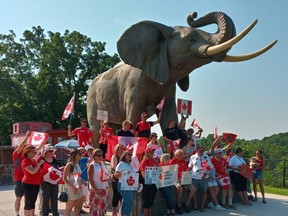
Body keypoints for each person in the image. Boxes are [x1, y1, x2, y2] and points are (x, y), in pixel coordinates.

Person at [169, 149, 195, 214]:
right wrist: (178, 178)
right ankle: (178, 204)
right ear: (176, 155)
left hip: (184, 177)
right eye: (180, 155)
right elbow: (170, 172)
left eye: (182, 154)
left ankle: (186, 204)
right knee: (180, 188)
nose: (182, 156)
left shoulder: (183, 161)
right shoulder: (172, 161)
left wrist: (188, 172)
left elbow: (185, 169)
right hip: (176, 178)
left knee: (193, 189)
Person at [188, 146, 213, 212]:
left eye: (203, 150)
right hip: (195, 177)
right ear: (197, 150)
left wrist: (205, 174)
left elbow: (210, 167)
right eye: (200, 150)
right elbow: (190, 167)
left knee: (204, 191)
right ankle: (195, 206)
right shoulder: (192, 157)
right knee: (194, 192)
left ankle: (202, 206)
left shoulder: (206, 157)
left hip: (204, 177)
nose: (201, 151)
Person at [21, 145, 45, 216]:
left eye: (35, 151)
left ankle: (32, 214)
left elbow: (37, 171)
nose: (35, 153)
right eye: (33, 152)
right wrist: (39, 164)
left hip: (36, 183)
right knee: (28, 202)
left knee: (33, 201)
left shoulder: (33, 160)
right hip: (28, 184)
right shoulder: (25, 161)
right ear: (27, 152)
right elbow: (32, 171)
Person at [38, 144, 61, 216]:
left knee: (54, 199)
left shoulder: (54, 160)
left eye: (52, 151)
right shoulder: (41, 160)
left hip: (54, 182)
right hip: (45, 183)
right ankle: (44, 214)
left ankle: (55, 213)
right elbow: (38, 170)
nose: (51, 152)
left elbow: (57, 168)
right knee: (45, 200)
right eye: (49, 151)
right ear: (45, 152)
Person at [63, 149, 87, 216]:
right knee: (69, 209)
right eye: (79, 154)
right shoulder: (69, 165)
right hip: (71, 189)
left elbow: (78, 176)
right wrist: (73, 187)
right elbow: (64, 178)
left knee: (78, 208)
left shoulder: (77, 164)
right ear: (75, 155)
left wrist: (83, 181)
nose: (81, 155)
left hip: (79, 188)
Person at [12, 131, 30, 216]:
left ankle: (27, 213)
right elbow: (21, 146)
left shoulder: (25, 156)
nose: (24, 148)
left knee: (27, 198)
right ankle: (17, 214)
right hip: (18, 180)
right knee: (18, 197)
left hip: (26, 179)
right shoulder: (15, 154)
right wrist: (26, 137)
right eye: (23, 146)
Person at [88, 149, 110, 216]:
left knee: (102, 208)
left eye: (101, 155)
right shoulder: (92, 165)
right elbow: (90, 178)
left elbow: (106, 174)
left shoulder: (103, 164)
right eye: (98, 155)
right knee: (94, 208)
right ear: (94, 156)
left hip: (104, 188)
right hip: (96, 189)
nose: (101, 157)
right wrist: (95, 189)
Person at [115, 150, 135, 216]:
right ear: (124, 156)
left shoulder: (129, 165)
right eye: (128, 155)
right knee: (129, 202)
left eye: (131, 155)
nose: (130, 156)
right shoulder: (121, 164)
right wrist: (123, 174)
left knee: (125, 201)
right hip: (123, 184)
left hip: (129, 185)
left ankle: (122, 214)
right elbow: (116, 174)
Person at [140, 147, 159, 216]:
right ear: (147, 153)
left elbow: (159, 169)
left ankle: (150, 214)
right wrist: (148, 180)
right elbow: (143, 173)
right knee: (146, 201)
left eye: (153, 152)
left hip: (154, 183)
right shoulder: (144, 161)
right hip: (147, 184)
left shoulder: (154, 161)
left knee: (151, 200)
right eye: (151, 152)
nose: (152, 154)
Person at [111, 144, 125, 216]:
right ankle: (114, 211)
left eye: (123, 149)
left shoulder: (124, 157)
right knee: (116, 194)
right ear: (117, 149)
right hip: (115, 178)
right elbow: (114, 166)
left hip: (123, 178)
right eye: (120, 149)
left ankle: (121, 211)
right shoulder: (114, 156)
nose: (122, 150)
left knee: (122, 195)